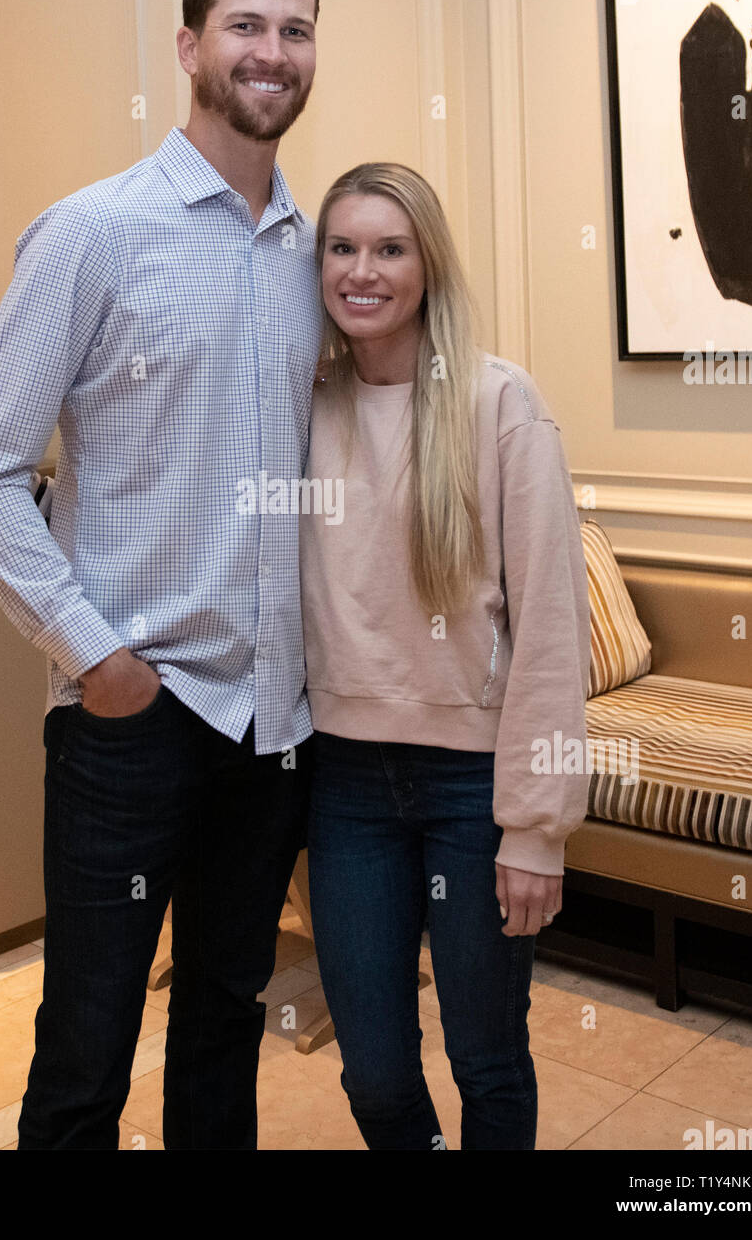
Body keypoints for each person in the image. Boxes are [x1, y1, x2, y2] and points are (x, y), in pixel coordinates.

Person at [0, 0, 324, 1150]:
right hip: (132, 724)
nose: (272, 51)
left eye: (295, 27)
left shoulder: (323, 256)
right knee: (87, 1042)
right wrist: (96, 657)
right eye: (246, 25)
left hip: (273, 727)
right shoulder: (94, 234)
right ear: (189, 45)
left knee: (223, 1020)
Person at [298, 163, 592, 1150]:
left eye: (390, 248)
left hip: (476, 791)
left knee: (486, 1061)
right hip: (343, 785)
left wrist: (537, 827)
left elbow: (551, 628)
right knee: (374, 1072)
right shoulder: (302, 403)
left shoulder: (499, 402)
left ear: (428, 265)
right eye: (342, 247)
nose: (362, 271)